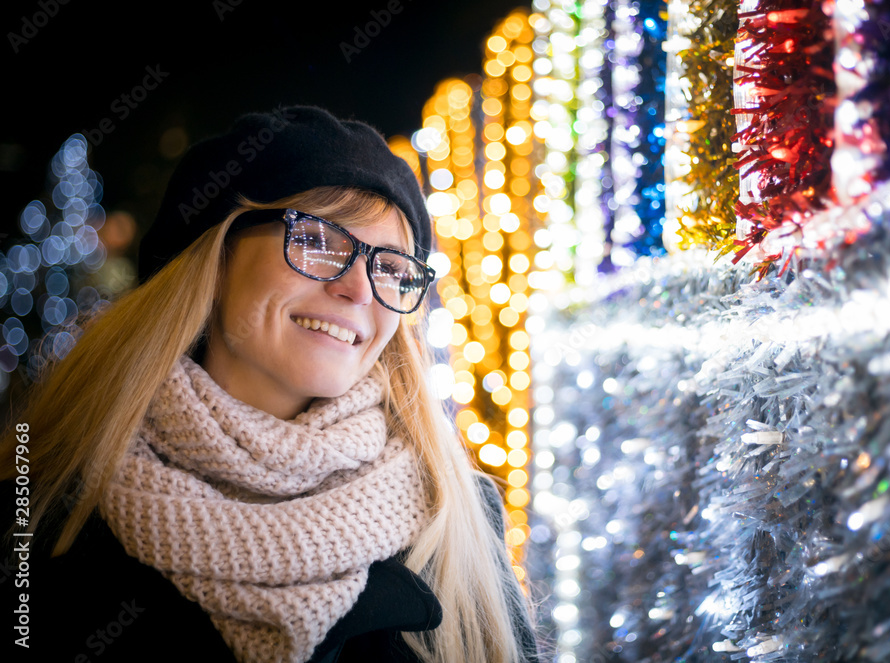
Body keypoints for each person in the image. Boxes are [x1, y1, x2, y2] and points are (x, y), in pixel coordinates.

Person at [1, 106, 539, 663]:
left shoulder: (457, 516)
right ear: (214, 257)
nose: (360, 289)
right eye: (317, 239)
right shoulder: (42, 493)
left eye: (393, 269)